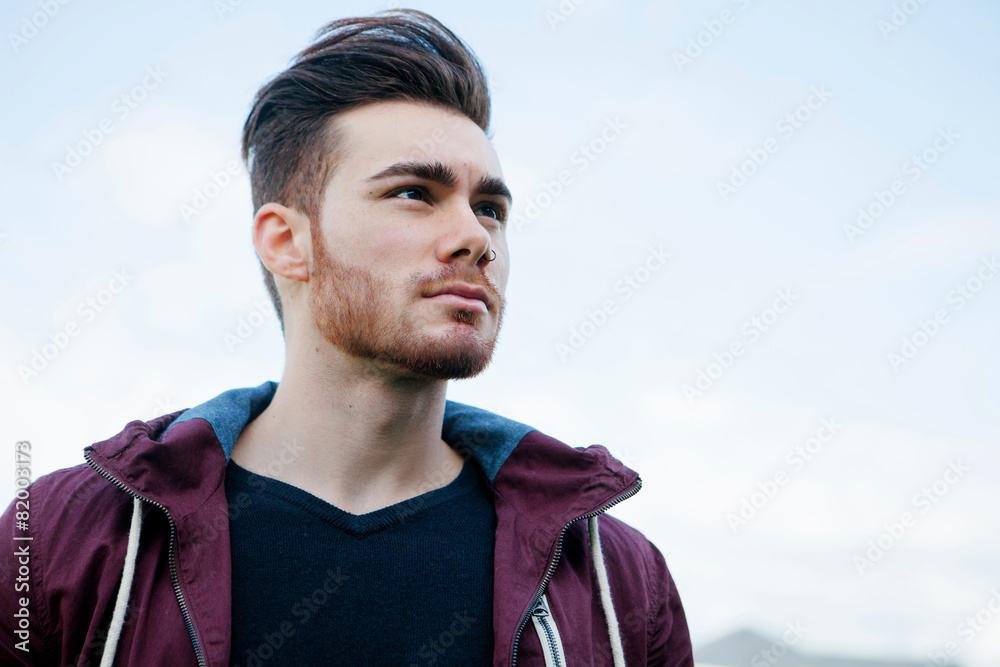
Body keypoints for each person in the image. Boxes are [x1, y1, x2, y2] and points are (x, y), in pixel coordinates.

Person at [0, 9, 693, 666]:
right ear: (288, 241)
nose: (476, 238)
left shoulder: (615, 579)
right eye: (415, 192)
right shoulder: (66, 537)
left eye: (490, 208)